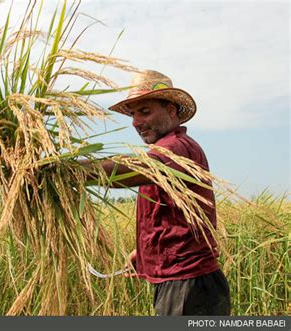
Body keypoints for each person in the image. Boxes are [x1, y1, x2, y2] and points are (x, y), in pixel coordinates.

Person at [87, 70, 231, 315]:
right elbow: (167, 216)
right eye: (133, 114)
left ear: (171, 110)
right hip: (181, 283)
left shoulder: (175, 148)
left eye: (145, 111)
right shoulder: (164, 151)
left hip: (189, 285)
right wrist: (142, 252)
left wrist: (77, 170)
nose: (136, 122)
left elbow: (134, 170)